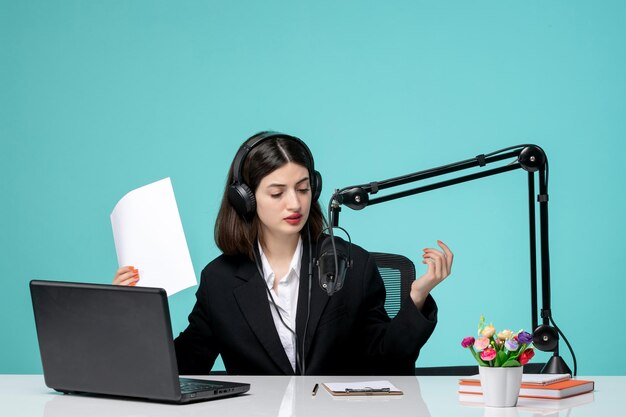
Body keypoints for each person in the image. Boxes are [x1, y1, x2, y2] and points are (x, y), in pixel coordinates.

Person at [113, 131, 453, 376]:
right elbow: (185, 363)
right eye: (277, 193)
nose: (295, 203)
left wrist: (417, 299)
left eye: (303, 189)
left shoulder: (352, 264)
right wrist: (133, 314)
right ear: (245, 199)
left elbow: (386, 360)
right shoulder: (219, 280)